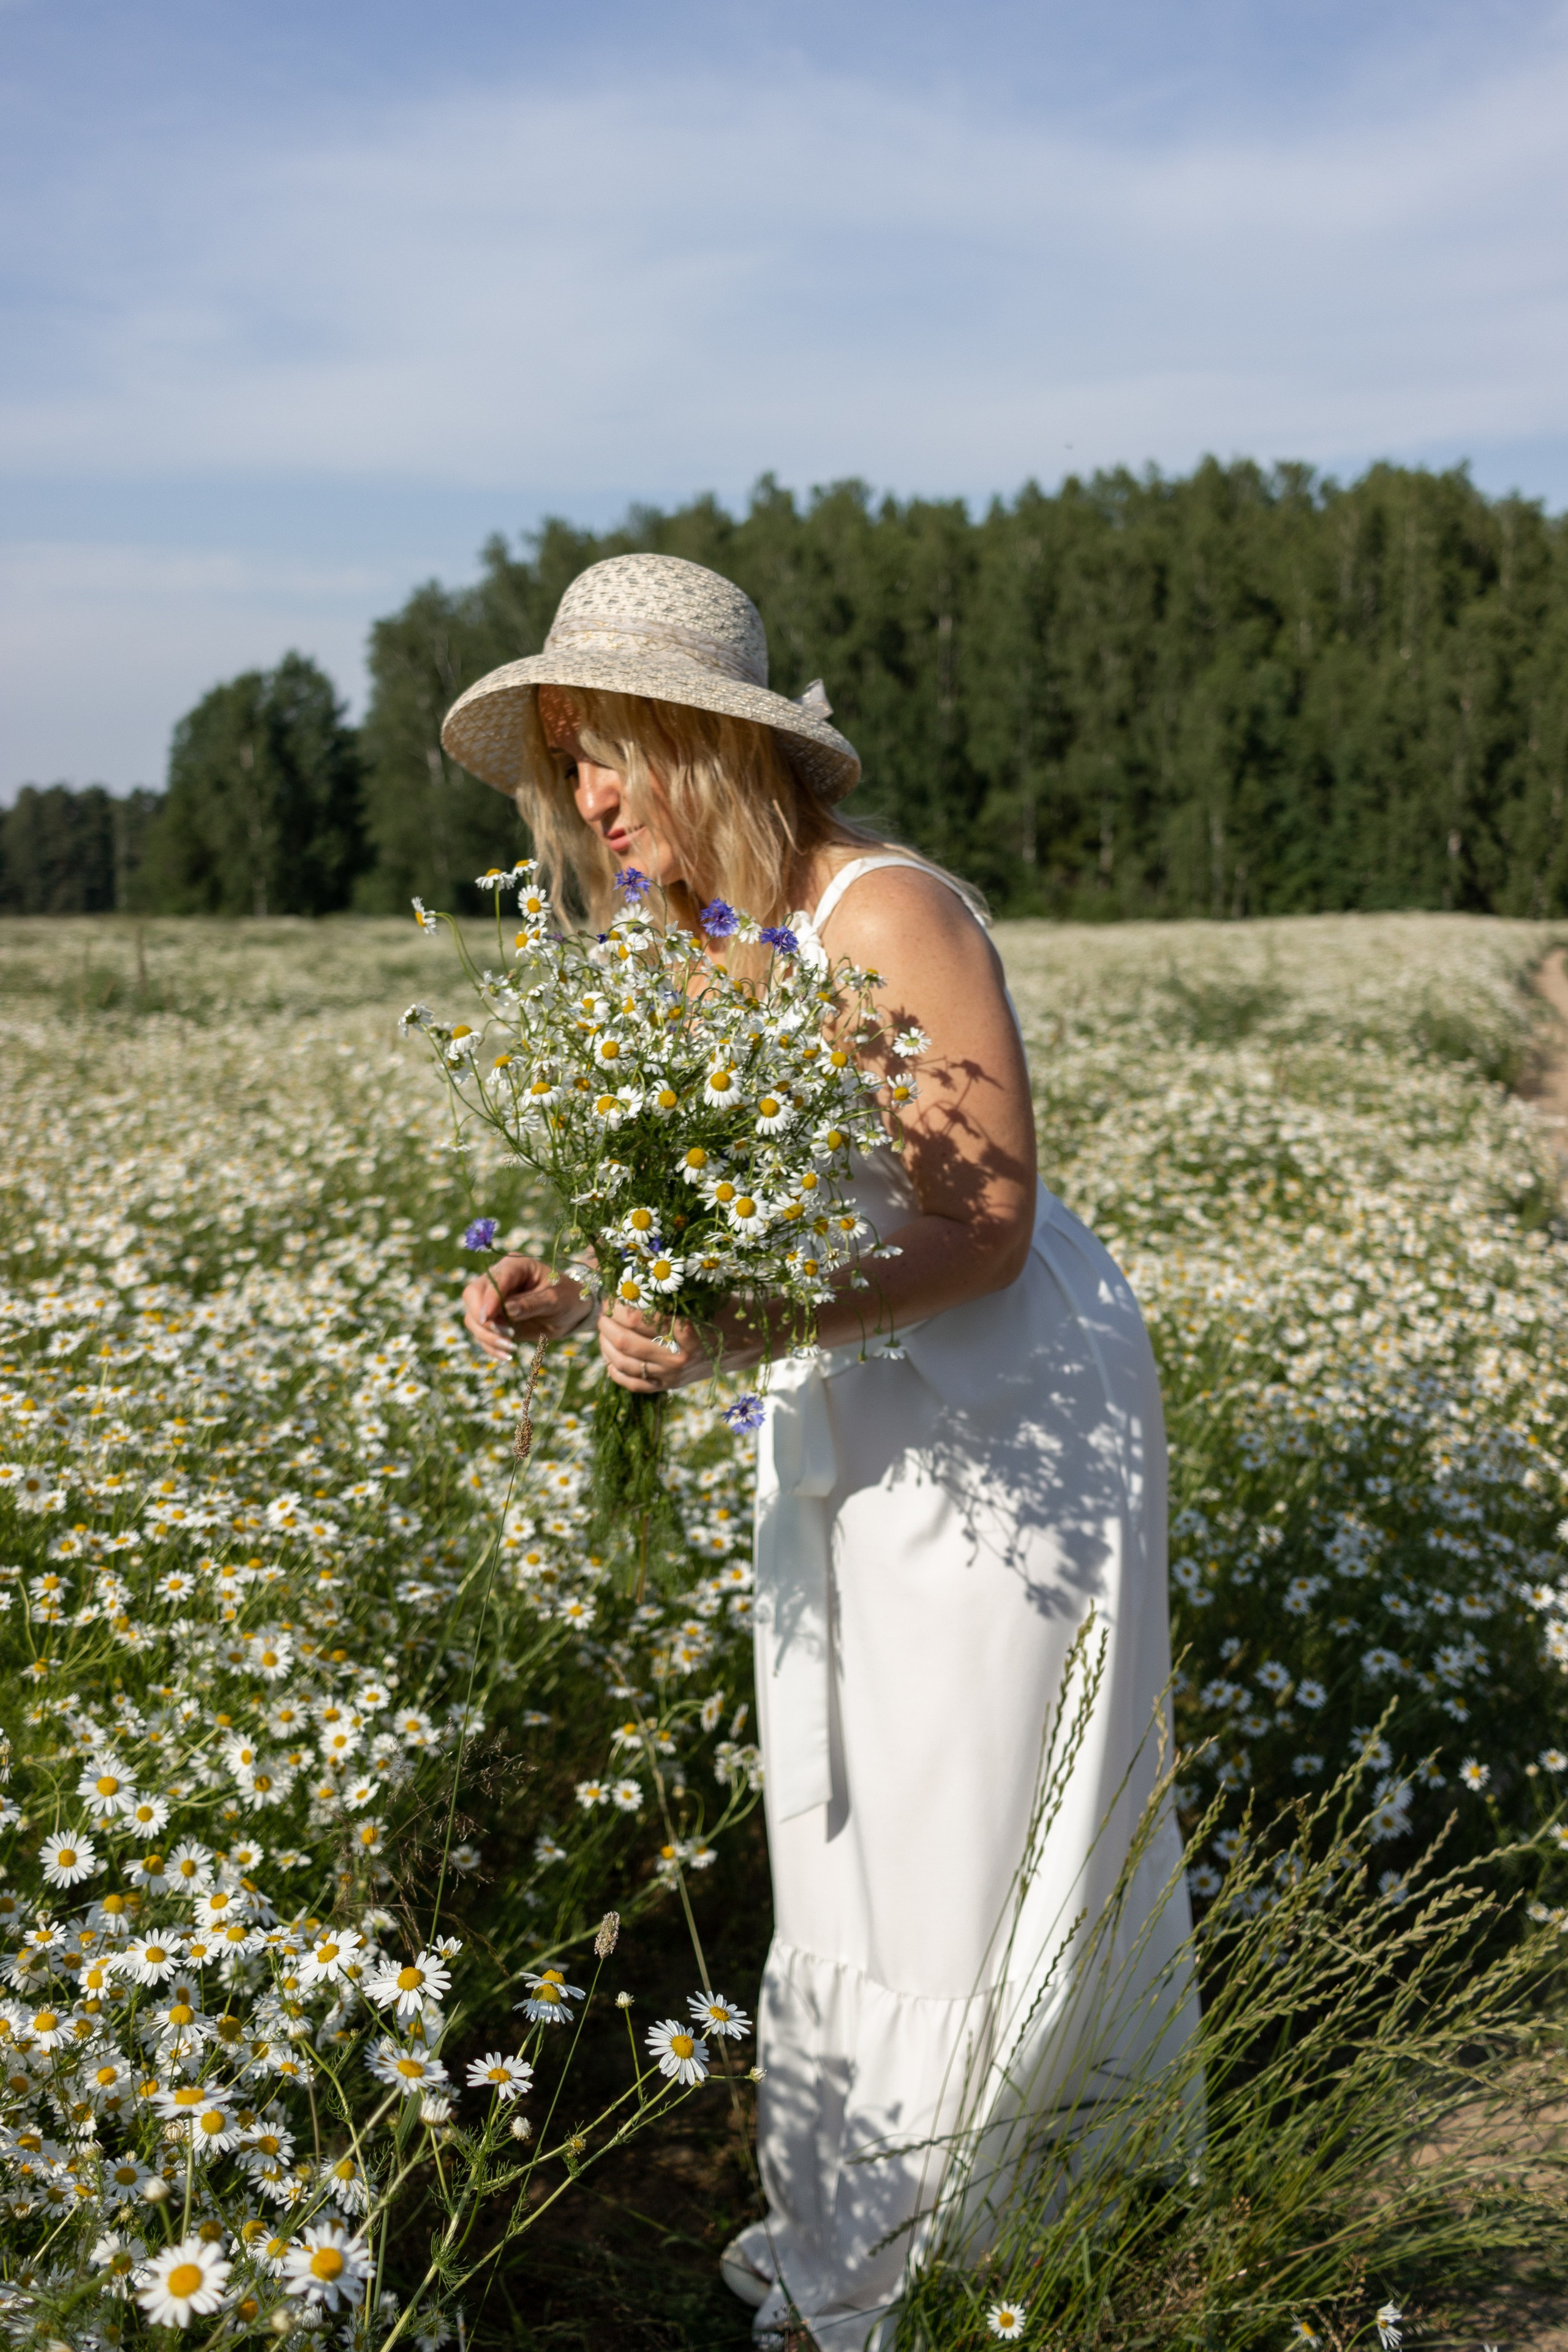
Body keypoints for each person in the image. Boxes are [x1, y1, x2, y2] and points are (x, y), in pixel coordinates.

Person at [447, 554, 1196, 2350]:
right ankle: (875, 2233)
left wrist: (728, 1335)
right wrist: (586, 1296)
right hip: (846, 1403)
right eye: (567, 768)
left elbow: (987, 1224)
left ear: (706, 744)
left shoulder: (887, 915)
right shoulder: (680, 944)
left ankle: (993, 2251)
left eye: (608, 754)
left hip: (1008, 1413)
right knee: (845, 1802)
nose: (590, 802)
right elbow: (723, 1226)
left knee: (967, 1803)